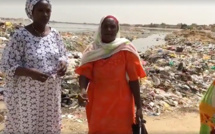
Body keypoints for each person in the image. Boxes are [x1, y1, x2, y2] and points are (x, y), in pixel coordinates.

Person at [0, 0, 67, 133]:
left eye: (48, 11)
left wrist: (64, 64)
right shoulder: (21, 36)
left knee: (49, 125)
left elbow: (63, 54)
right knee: (27, 126)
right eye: (40, 11)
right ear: (31, 12)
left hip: (50, 94)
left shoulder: (55, 34)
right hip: (27, 95)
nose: (45, 14)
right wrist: (30, 72)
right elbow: (6, 64)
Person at [75, 15, 146, 134]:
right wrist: (82, 90)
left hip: (121, 103)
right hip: (98, 102)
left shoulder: (125, 49)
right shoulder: (92, 50)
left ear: (117, 29)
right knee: (98, 130)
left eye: (112, 27)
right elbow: (85, 74)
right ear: (100, 29)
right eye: (106, 26)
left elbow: (134, 79)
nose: (109, 30)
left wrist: (139, 107)